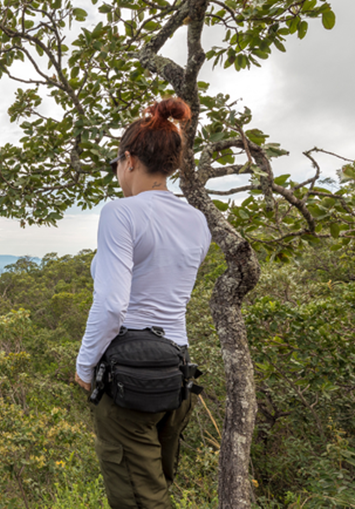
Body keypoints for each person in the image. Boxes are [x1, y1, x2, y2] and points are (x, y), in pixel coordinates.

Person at [74, 97, 211, 508]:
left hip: (129, 377)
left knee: (138, 498)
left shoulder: (121, 212)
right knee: (157, 486)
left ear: (129, 160)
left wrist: (85, 366)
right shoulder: (198, 221)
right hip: (176, 371)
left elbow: (114, 305)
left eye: (116, 164)